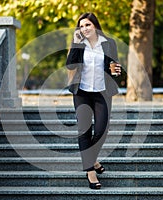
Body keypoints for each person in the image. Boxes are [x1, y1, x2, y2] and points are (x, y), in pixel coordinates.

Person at [66, 12, 121, 189]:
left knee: (101, 130)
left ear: (95, 25)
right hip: (81, 92)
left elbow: (114, 66)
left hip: (102, 93)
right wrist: (75, 43)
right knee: (84, 131)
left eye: (87, 25)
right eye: (81, 26)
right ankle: (90, 171)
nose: (84, 29)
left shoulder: (109, 43)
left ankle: (93, 159)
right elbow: (70, 65)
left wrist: (116, 71)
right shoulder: (78, 44)